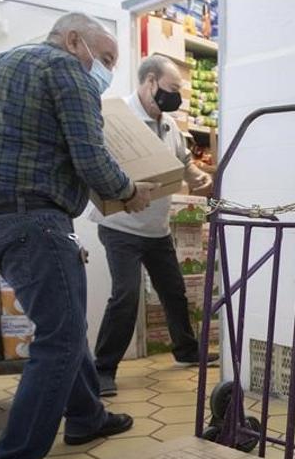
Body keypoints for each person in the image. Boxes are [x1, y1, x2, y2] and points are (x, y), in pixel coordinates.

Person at [0, 12, 155, 459]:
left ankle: (87, 418)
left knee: (64, 326)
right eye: (106, 59)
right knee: (61, 339)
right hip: (33, 214)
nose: (107, 70)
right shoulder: (65, 68)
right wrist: (128, 191)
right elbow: (89, 155)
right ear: (74, 40)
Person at [90, 56, 216, 397]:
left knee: (174, 292)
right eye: (172, 89)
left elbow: (182, 161)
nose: (177, 97)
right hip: (121, 226)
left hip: (156, 227)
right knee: (126, 296)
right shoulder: (117, 119)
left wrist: (197, 177)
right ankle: (103, 369)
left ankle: (187, 350)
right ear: (150, 82)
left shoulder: (169, 125)